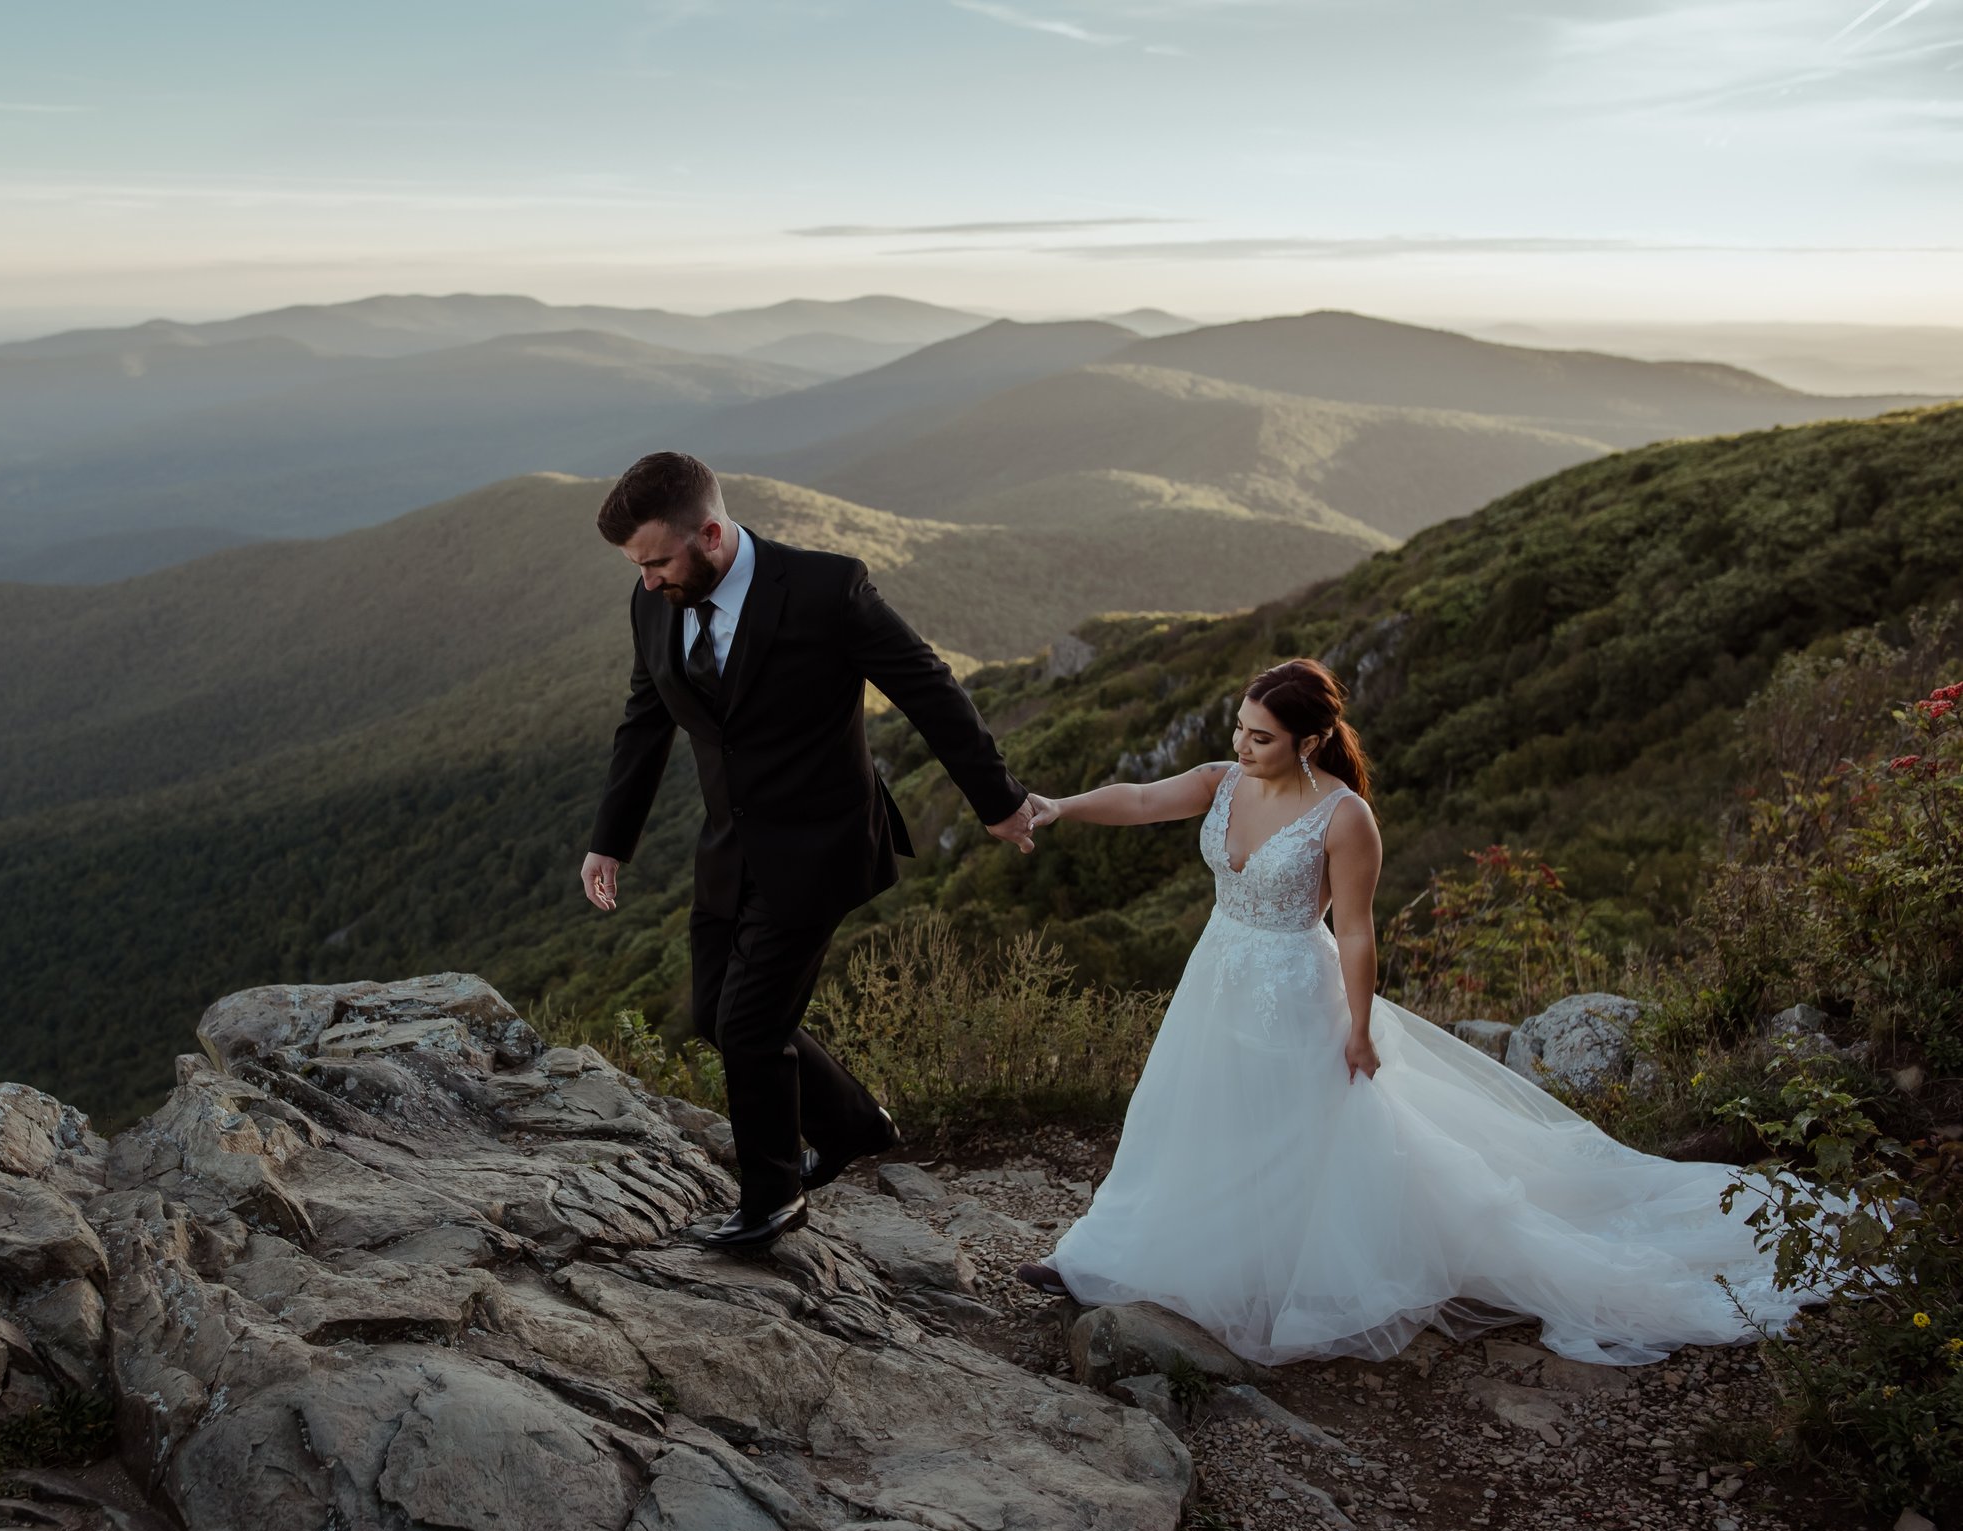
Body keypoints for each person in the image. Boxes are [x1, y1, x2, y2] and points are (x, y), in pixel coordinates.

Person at [1013, 658, 1835, 1366]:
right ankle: (1108, 1258)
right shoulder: (1221, 783)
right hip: (1217, 979)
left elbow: (1359, 931)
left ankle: (1254, 1276)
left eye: (1259, 736)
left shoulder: (1344, 815)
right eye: (1239, 729)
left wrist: (1361, 1029)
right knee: (1191, 1118)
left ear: (1306, 741)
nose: (1240, 745)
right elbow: (1143, 797)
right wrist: (1062, 805)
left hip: (1297, 989)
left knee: (1295, 1136)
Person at [582, 452, 1040, 1250]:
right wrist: (609, 841)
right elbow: (644, 718)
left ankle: (773, 1197)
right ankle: (856, 1123)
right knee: (714, 1014)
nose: (647, 580)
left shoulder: (828, 589)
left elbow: (927, 686)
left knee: (752, 1023)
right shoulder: (651, 599)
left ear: (713, 535)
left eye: (656, 560)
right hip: (728, 844)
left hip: (822, 844)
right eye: (636, 566)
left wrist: (996, 801)